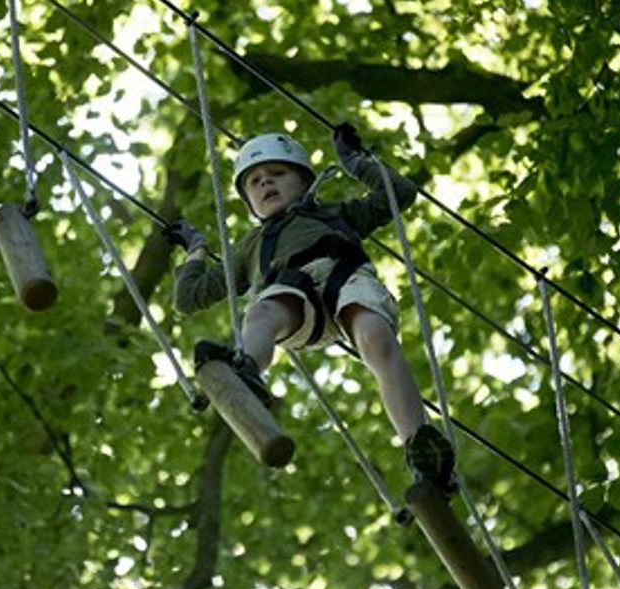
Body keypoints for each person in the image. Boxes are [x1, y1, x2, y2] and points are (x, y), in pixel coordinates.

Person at [166, 125, 455, 496]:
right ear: (249, 201)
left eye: (278, 174)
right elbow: (189, 297)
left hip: (345, 278)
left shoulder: (337, 214)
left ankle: (422, 448)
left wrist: (356, 162)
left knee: (376, 337)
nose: (266, 183)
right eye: (255, 181)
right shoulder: (249, 248)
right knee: (261, 313)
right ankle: (247, 371)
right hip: (293, 301)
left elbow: (398, 194)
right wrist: (197, 249)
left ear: (304, 181)